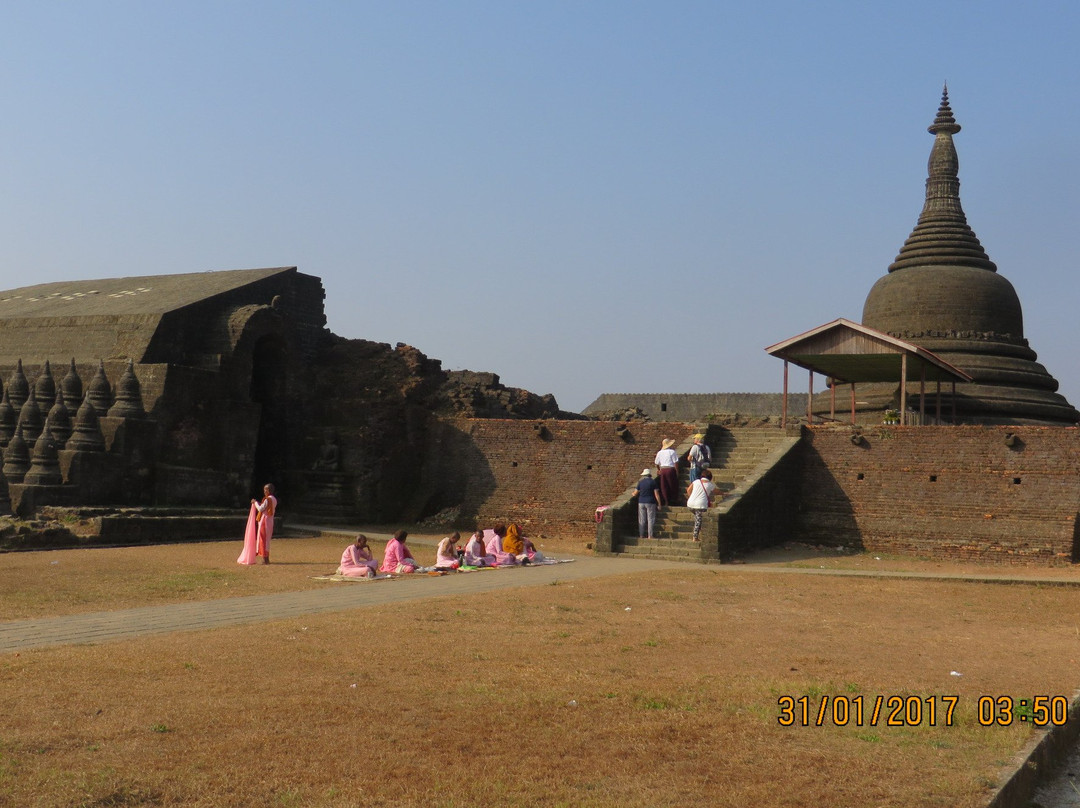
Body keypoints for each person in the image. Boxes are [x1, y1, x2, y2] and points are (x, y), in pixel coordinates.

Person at [238, 483, 277, 565]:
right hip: (270, 521)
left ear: (268, 490)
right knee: (267, 540)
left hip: (264, 521)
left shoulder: (267, 500)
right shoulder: (274, 499)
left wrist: (255, 503)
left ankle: (265, 559)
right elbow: (265, 508)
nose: (264, 491)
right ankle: (266, 558)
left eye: (265, 489)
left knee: (263, 539)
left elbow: (260, 509)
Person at [685, 469, 719, 542]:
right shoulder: (710, 485)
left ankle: (699, 532)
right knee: (698, 521)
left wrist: (692, 497)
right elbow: (716, 492)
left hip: (690, 504)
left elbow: (688, 490)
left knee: (698, 518)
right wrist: (724, 493)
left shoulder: (696, 481)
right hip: (700, 505)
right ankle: (695, 537)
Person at [631, 468, 660, 539]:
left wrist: (632, 493)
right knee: (650, 519)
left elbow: (635, 493)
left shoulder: (640, 482)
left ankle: (641, 535)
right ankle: (650, 535)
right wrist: (659, 504)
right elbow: (656, 494)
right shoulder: (653, 482)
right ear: (650, 475)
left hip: (641, 502)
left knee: (641, 519)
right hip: (650, 502)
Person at [654, 438, 680, 507]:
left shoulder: (659, 453)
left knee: (664, 486)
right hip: (670, 469)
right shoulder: (672, 452)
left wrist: (659, 469)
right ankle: (673, 500)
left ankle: (666, 501)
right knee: (672, 485)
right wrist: (677, 471)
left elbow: (656, 463)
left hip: (663, 470)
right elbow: (676, 462)